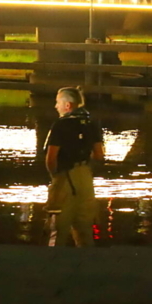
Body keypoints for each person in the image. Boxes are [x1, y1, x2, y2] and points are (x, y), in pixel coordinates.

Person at [44, 87, 105, 247]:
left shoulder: (60, 125)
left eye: (58, 102)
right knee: (85, 228)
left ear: (68, 105)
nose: (56, 106)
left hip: (65, 177)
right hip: (86, 178)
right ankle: (86, 264)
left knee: (58, 228)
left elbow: (51, 158)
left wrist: (55, 177)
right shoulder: (91, 122)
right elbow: (99, 155)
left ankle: (51, 264)